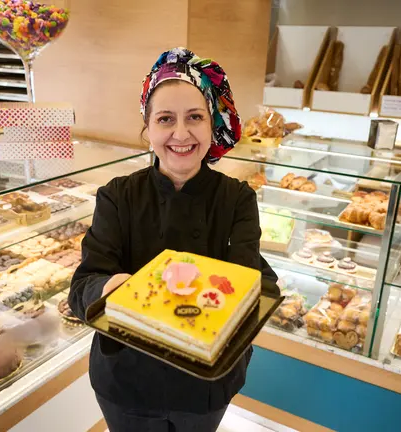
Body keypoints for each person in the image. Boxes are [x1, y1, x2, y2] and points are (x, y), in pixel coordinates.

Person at [69, 47, 278, 432]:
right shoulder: (117, 196)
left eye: (195, 117)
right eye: (165, 118)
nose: (181, 133)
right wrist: (109, 287)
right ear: (147, 128)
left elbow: (250, 280)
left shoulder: (236, 199)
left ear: (212, 123)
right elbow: (82, 287)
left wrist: (243, 299)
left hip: (205, 385)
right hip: (127, 381)